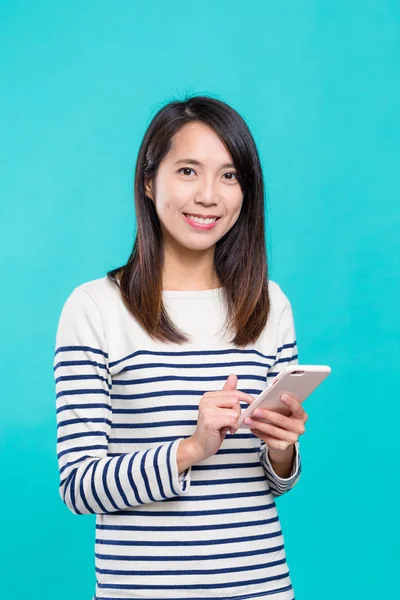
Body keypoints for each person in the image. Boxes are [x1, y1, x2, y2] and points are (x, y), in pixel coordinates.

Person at [54, 95, 308, 600]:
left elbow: (275, 483)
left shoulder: (269, 304)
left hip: (260, 586)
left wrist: (282, 449)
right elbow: (79, 488)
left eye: (230, 175)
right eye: (188, 170)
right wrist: (190, 450)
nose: (209, 196)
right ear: (150, 182)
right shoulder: (94, 307)